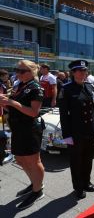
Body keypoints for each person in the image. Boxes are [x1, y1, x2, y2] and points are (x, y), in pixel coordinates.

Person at [0, 60, 45, 209]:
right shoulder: (19, 85)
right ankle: (34, 182)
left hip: (30, 129)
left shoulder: (36, 87)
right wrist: (5, 105)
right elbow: (14, 106)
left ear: (31, 72)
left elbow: (33, 112)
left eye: (21, 71)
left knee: (33, 161)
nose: (17, 73)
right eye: (16, 70)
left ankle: (38, 190)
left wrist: (12, 103)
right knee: (20, 159)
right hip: (17, 128)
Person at [58, 60, 94, 199]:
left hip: (90, 129)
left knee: (88, 158)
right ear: (73, 73)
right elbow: (63, 115)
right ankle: (78, 187)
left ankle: (86, 182)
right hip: (75, 132)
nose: (83, 73)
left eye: (85, 70)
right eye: (79, 70)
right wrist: (67, 135)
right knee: (76, 160)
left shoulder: (90, 87)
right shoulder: (66, 89)